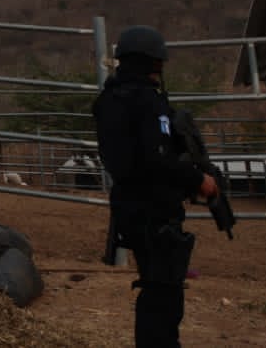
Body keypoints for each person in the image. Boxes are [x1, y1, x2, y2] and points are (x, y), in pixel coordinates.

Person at [93, 25, 219, 348]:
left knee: (155, 284)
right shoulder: (148, 102)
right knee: (163, 293)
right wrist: (197, 180)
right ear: (152, 62)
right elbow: (157, 158)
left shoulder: (109, 98)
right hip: (154, 208)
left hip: (128, 204)